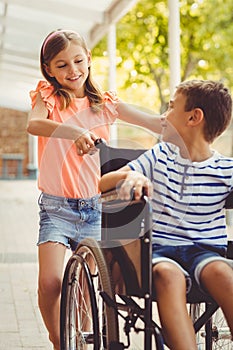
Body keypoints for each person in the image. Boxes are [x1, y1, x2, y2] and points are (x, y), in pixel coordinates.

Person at [26, 29, 161, 350]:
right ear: (49, 69)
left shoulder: (106, 104)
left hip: (97, 207)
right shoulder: (48, 98)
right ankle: (60, 340)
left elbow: (154, 122)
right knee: (50, 282)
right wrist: (72, 131)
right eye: (61, 65)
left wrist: (186, 119)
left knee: (87, 288)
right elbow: (33, 124)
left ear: (88, 60)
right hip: (57, 207)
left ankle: (82, 342)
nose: (72, 71)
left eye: (78, 61)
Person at [99, 79, 233, 350]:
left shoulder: (226, 169)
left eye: (171, 108)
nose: (163, 115)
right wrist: (132, 174)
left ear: (194, 117)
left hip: (206, 252)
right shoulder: (158, 156)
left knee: (224, 272)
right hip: (159, 251)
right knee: (169, 276)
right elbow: (102, 184)